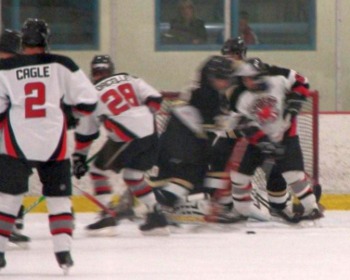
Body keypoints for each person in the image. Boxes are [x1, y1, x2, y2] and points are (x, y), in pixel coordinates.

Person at [0, 18, 98, 272]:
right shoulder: (63, 64)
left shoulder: (5, 67)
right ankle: (63, 253)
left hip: (16, 142)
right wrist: (66, 108)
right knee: (59, 199)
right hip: (54, 143)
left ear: (23, 41)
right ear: (47, 39)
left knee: (8, 199)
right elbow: (88, 102)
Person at [221, 36, 321, 221]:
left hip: (286, 137)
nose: (247, 83)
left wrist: (296, 101)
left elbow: (301, 81)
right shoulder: (241, 96)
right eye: (244, 79)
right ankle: (240, 212)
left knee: (293, 174)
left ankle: (311, 208)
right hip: (256, 142)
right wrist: (263, 141)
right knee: (239, 176)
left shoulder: (278, 79)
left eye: (250, 79)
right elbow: (242, 124)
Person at [72, 55, 170, 236]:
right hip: (152, 133)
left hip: (127, 135)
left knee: (96, 170)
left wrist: (79, 157)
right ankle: (157, 217)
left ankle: (108, 215)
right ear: (112, 70)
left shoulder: (91, 94)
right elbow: (155, 98)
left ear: (92, 73)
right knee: (133, 175)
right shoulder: (129, 78)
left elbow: (86, 135)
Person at [0, 29, 31, 247]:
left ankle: (11, 225)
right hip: (12, 138)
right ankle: (11, 226)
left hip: (10, 137)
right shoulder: (21, 70)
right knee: (11, 184)